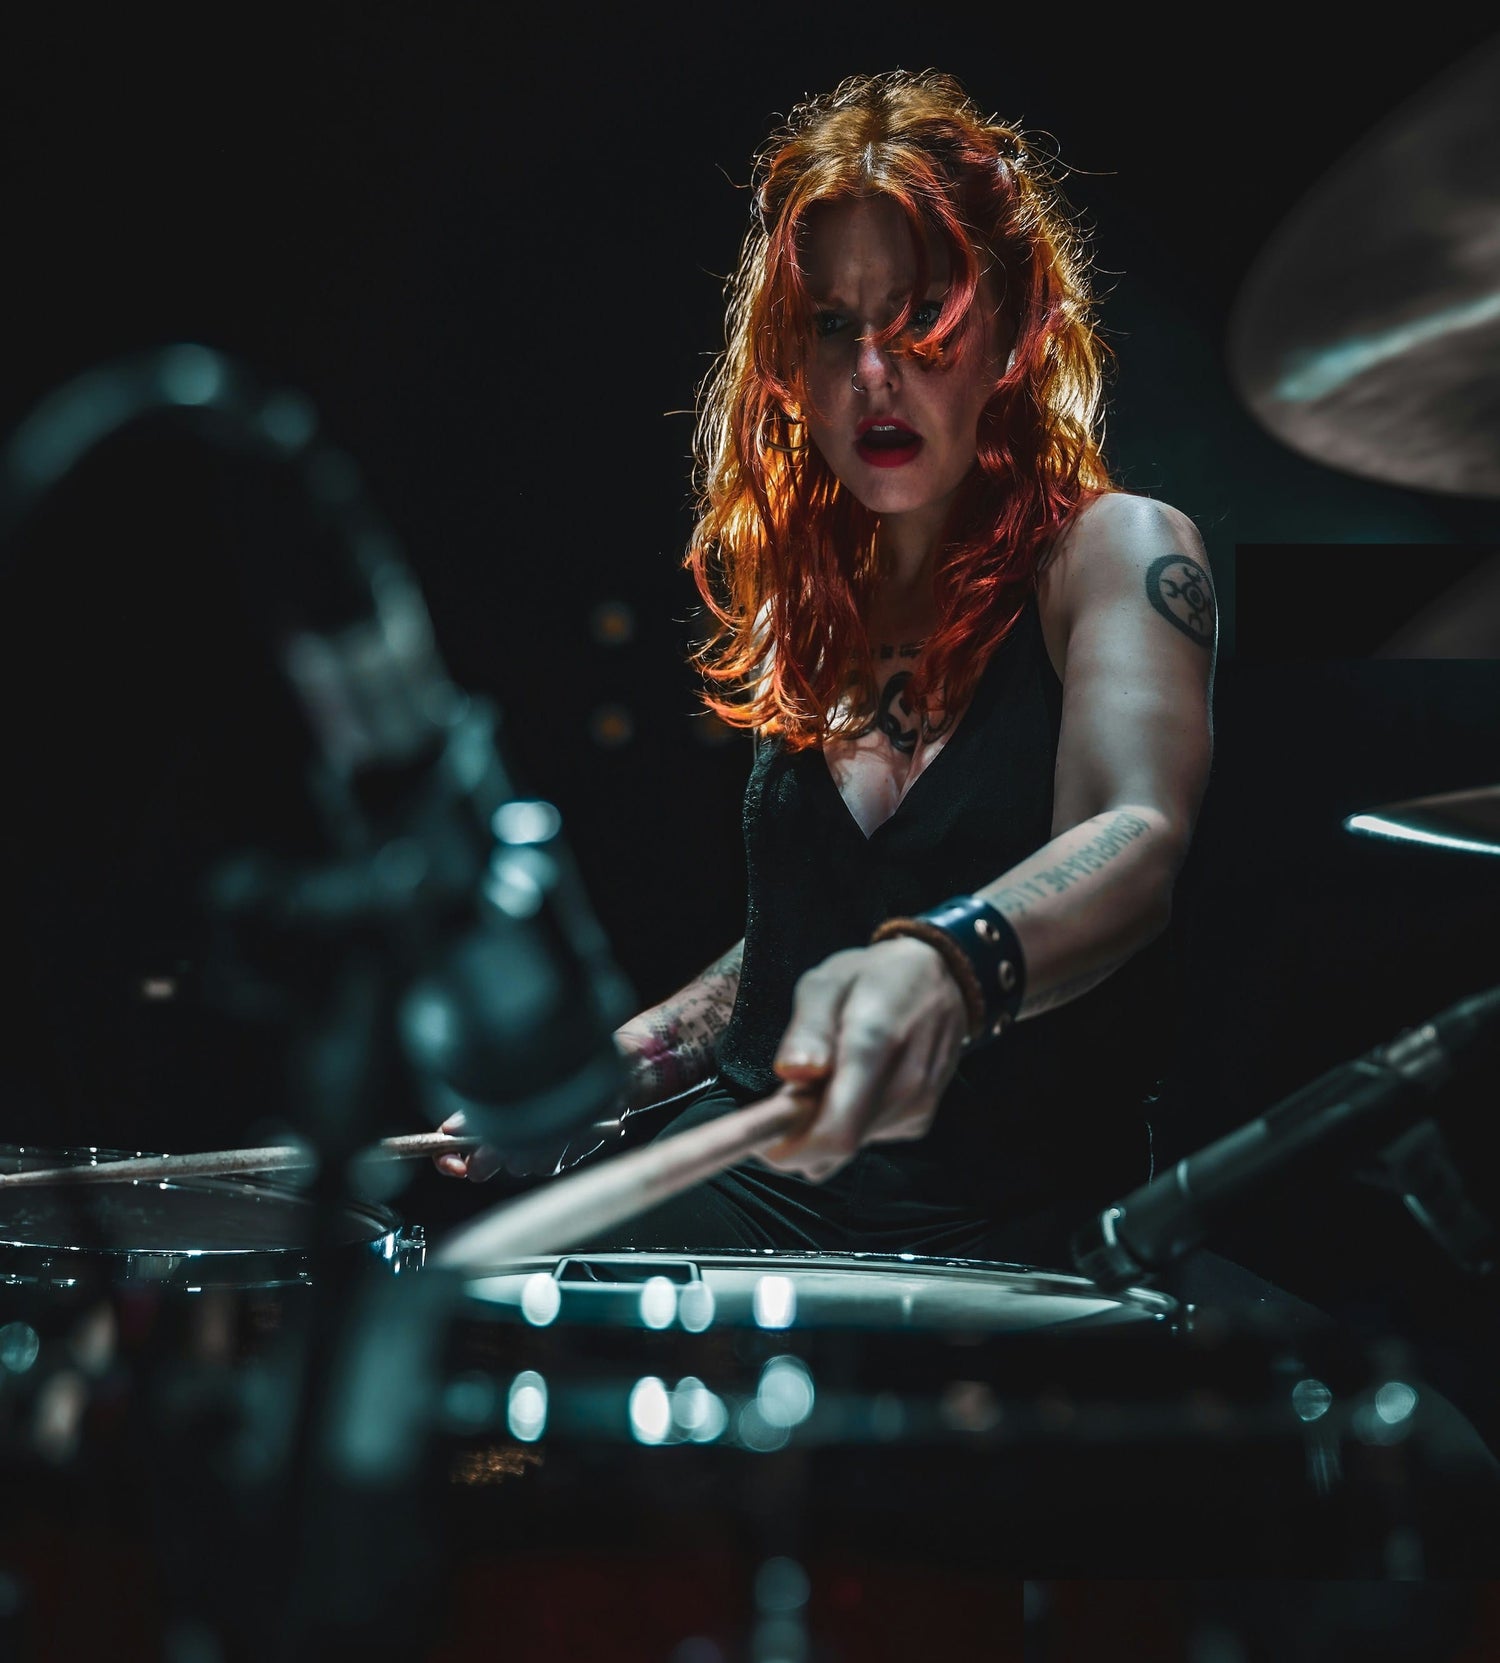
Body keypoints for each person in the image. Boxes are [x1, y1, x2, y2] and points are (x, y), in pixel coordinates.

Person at [437, 68, 1217, 1269]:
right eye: (835, 326)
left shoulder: (1114, 551)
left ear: (1016, 332)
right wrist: (636, 1058)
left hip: (1020, 1208)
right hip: (769, 1183)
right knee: (492, 1299)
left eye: (923, 316)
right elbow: (803, 944)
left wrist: (947, 961)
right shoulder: (816, 600)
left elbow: (1135, 835)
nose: (873, 373)